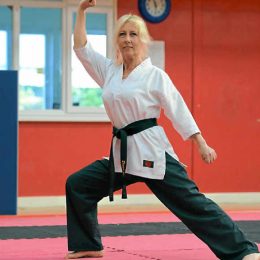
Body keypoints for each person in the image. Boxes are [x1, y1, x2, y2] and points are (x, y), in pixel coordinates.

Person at [65, 0, 260, 259]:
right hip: (122, 154)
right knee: (79, 184)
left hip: (151, 152)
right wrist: (80, 11)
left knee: (192, 203)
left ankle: (243, 251)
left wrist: (200, 143)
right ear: (116, 40)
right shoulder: (109, 71)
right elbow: (81, 49)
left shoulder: (154, 76)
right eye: (122, 34)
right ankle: (88, 245)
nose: (127, 39)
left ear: (143, 40)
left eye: (133, 34)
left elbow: (178, 109)